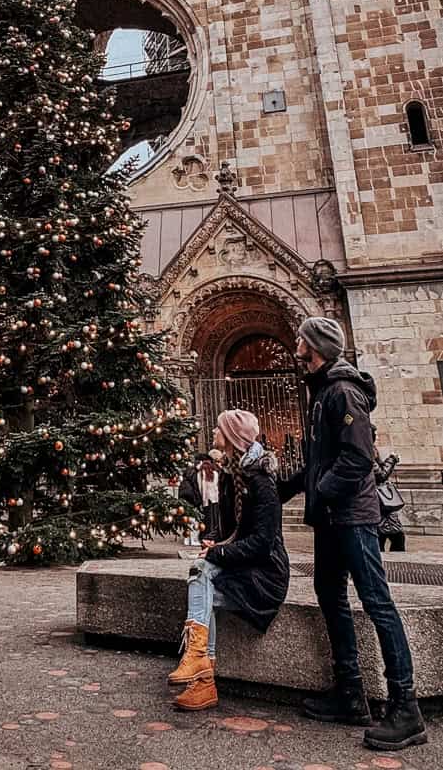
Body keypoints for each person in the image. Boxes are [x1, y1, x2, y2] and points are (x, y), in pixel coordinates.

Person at [279, 317, 426, 752]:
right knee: (330, 594)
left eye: (301, 339)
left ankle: (406, 707)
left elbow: (357, 459)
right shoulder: (322, 391)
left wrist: (321, 492)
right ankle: (350, 693)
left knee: (377, 602)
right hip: (330, 517)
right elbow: (320, 462)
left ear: (316, 346)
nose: (296, 345)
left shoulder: (343, 391)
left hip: (353, 516)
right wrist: (281, 486)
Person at [168, 409, 290, 712]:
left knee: (203, 571)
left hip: (263, 577)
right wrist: (217, 542)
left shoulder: (262, 481)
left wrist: (218, 551)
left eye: (218, 428)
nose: (212, 432)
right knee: (202, 574)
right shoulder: (230, 477)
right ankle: (202, 673)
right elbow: (232, 531)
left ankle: (200, 669)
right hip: (245, 570)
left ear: (232, 436)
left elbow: (262, 544)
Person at [373, 430, 406, 553]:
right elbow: (380, 475)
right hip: (378, 500)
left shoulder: (371, 449)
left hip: (383, 502)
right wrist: (392, 459)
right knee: (392, 537)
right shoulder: (366, 450)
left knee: (395, 536)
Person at [178, 451, 221, 541]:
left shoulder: (197, 473)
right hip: (212, 500)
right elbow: (213, 488)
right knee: (212, 519)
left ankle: (204, 535)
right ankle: (209, 535)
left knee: (206, 519)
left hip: (202, 500)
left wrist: (202, 500)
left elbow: (202, 488)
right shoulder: (214, 473)